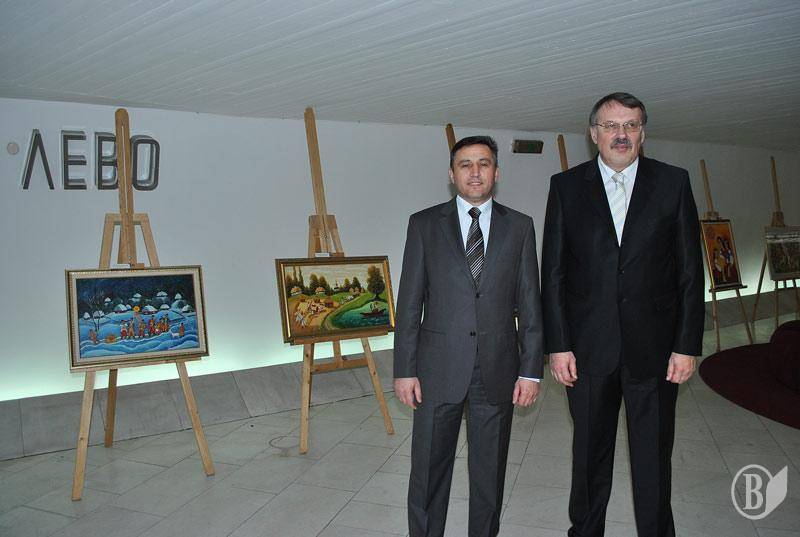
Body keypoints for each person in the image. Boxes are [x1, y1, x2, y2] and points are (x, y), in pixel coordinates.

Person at [541, 92, 704, 537]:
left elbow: (691, 272)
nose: (621, 134)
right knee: (589, 456)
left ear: (642, 133)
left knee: (653, 458)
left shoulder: (673, 183)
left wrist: (686, 346)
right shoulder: (566, 187)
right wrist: (558, 345)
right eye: (611, 125)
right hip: (587, 351)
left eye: (631, 125)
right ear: (593, 133)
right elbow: (552, 274)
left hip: (655, 351)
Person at [394, 135, 544, 537]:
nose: (475, 172)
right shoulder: (424, 225)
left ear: (497, 172)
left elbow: (531, 305)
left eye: (483, 164)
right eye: (465, 164)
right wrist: (405, 369)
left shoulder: (520, 227)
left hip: (497, 370)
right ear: (451, 173)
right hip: (436, 370)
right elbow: (408, 303)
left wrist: (531, 371)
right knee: (428, 473)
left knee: (489, 477)